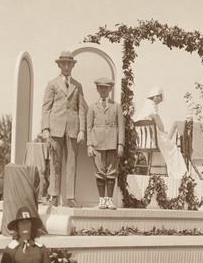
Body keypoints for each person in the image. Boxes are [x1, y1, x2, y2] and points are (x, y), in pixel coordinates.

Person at [40, 50, 87, 207]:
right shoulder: (52, 84)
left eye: (69, 64)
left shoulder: (78, 86)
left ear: (72, 66)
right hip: (55, 129)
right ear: (59, 65)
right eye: (64, 64)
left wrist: (82, 130)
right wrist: (46, 129)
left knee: (72, 164)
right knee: (55, 163)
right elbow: (46, 108)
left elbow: (81, 109)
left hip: (73, 129)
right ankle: (54, 195)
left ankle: (70, 197)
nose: (66, 66)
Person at [86, 76, 124, 209]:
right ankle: (102, 199)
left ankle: (109, 199)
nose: (103, 90)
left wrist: (120, 144)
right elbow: (89, 128)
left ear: (110, 89)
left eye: (106, 88)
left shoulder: (116, 106)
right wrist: (89, 145)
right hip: (97, 144)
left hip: (113, 144)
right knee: (100, 171)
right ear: (97, 89)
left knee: (111, 171)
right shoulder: (92, 108)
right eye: (101, 88)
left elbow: (121, 127)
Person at [133, 87, 187, 178]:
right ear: (155, 96)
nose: (160, 101)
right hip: (152, 141)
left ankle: (156, 171)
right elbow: (161, 126)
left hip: (142, 142)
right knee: (172, 147)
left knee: (165, 145)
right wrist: (163, 133)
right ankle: (179, 173)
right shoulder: (152, 109)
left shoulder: (143, 109)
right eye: (159, 98)